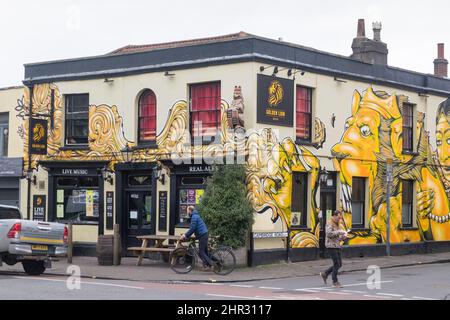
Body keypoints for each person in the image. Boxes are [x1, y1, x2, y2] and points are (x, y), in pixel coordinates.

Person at [179, 206, 215, 270]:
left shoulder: (194, 217)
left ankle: (211, 264)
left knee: (201, 252)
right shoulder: (195, 216)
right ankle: (218, 262)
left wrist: (185, 235)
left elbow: (193, 228)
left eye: (187, 211)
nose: (187, 213)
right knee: (206, 253)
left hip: (202, 235)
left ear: (190, 210)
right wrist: (186, 235)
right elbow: (192, 228)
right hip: (203, 234)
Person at [320, 210, 348, 288]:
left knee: (340, 264)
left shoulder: (337, 224)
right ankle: (335, 281)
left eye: (340, 218)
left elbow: (336, 236)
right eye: (338, 218)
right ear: (334, 216)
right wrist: (339, 232)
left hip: (337, 245)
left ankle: (325, 273)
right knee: (336, 264)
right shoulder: (330, 223)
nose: (339, 219)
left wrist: (342, 237)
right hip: (331, 246)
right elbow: (328, 234)